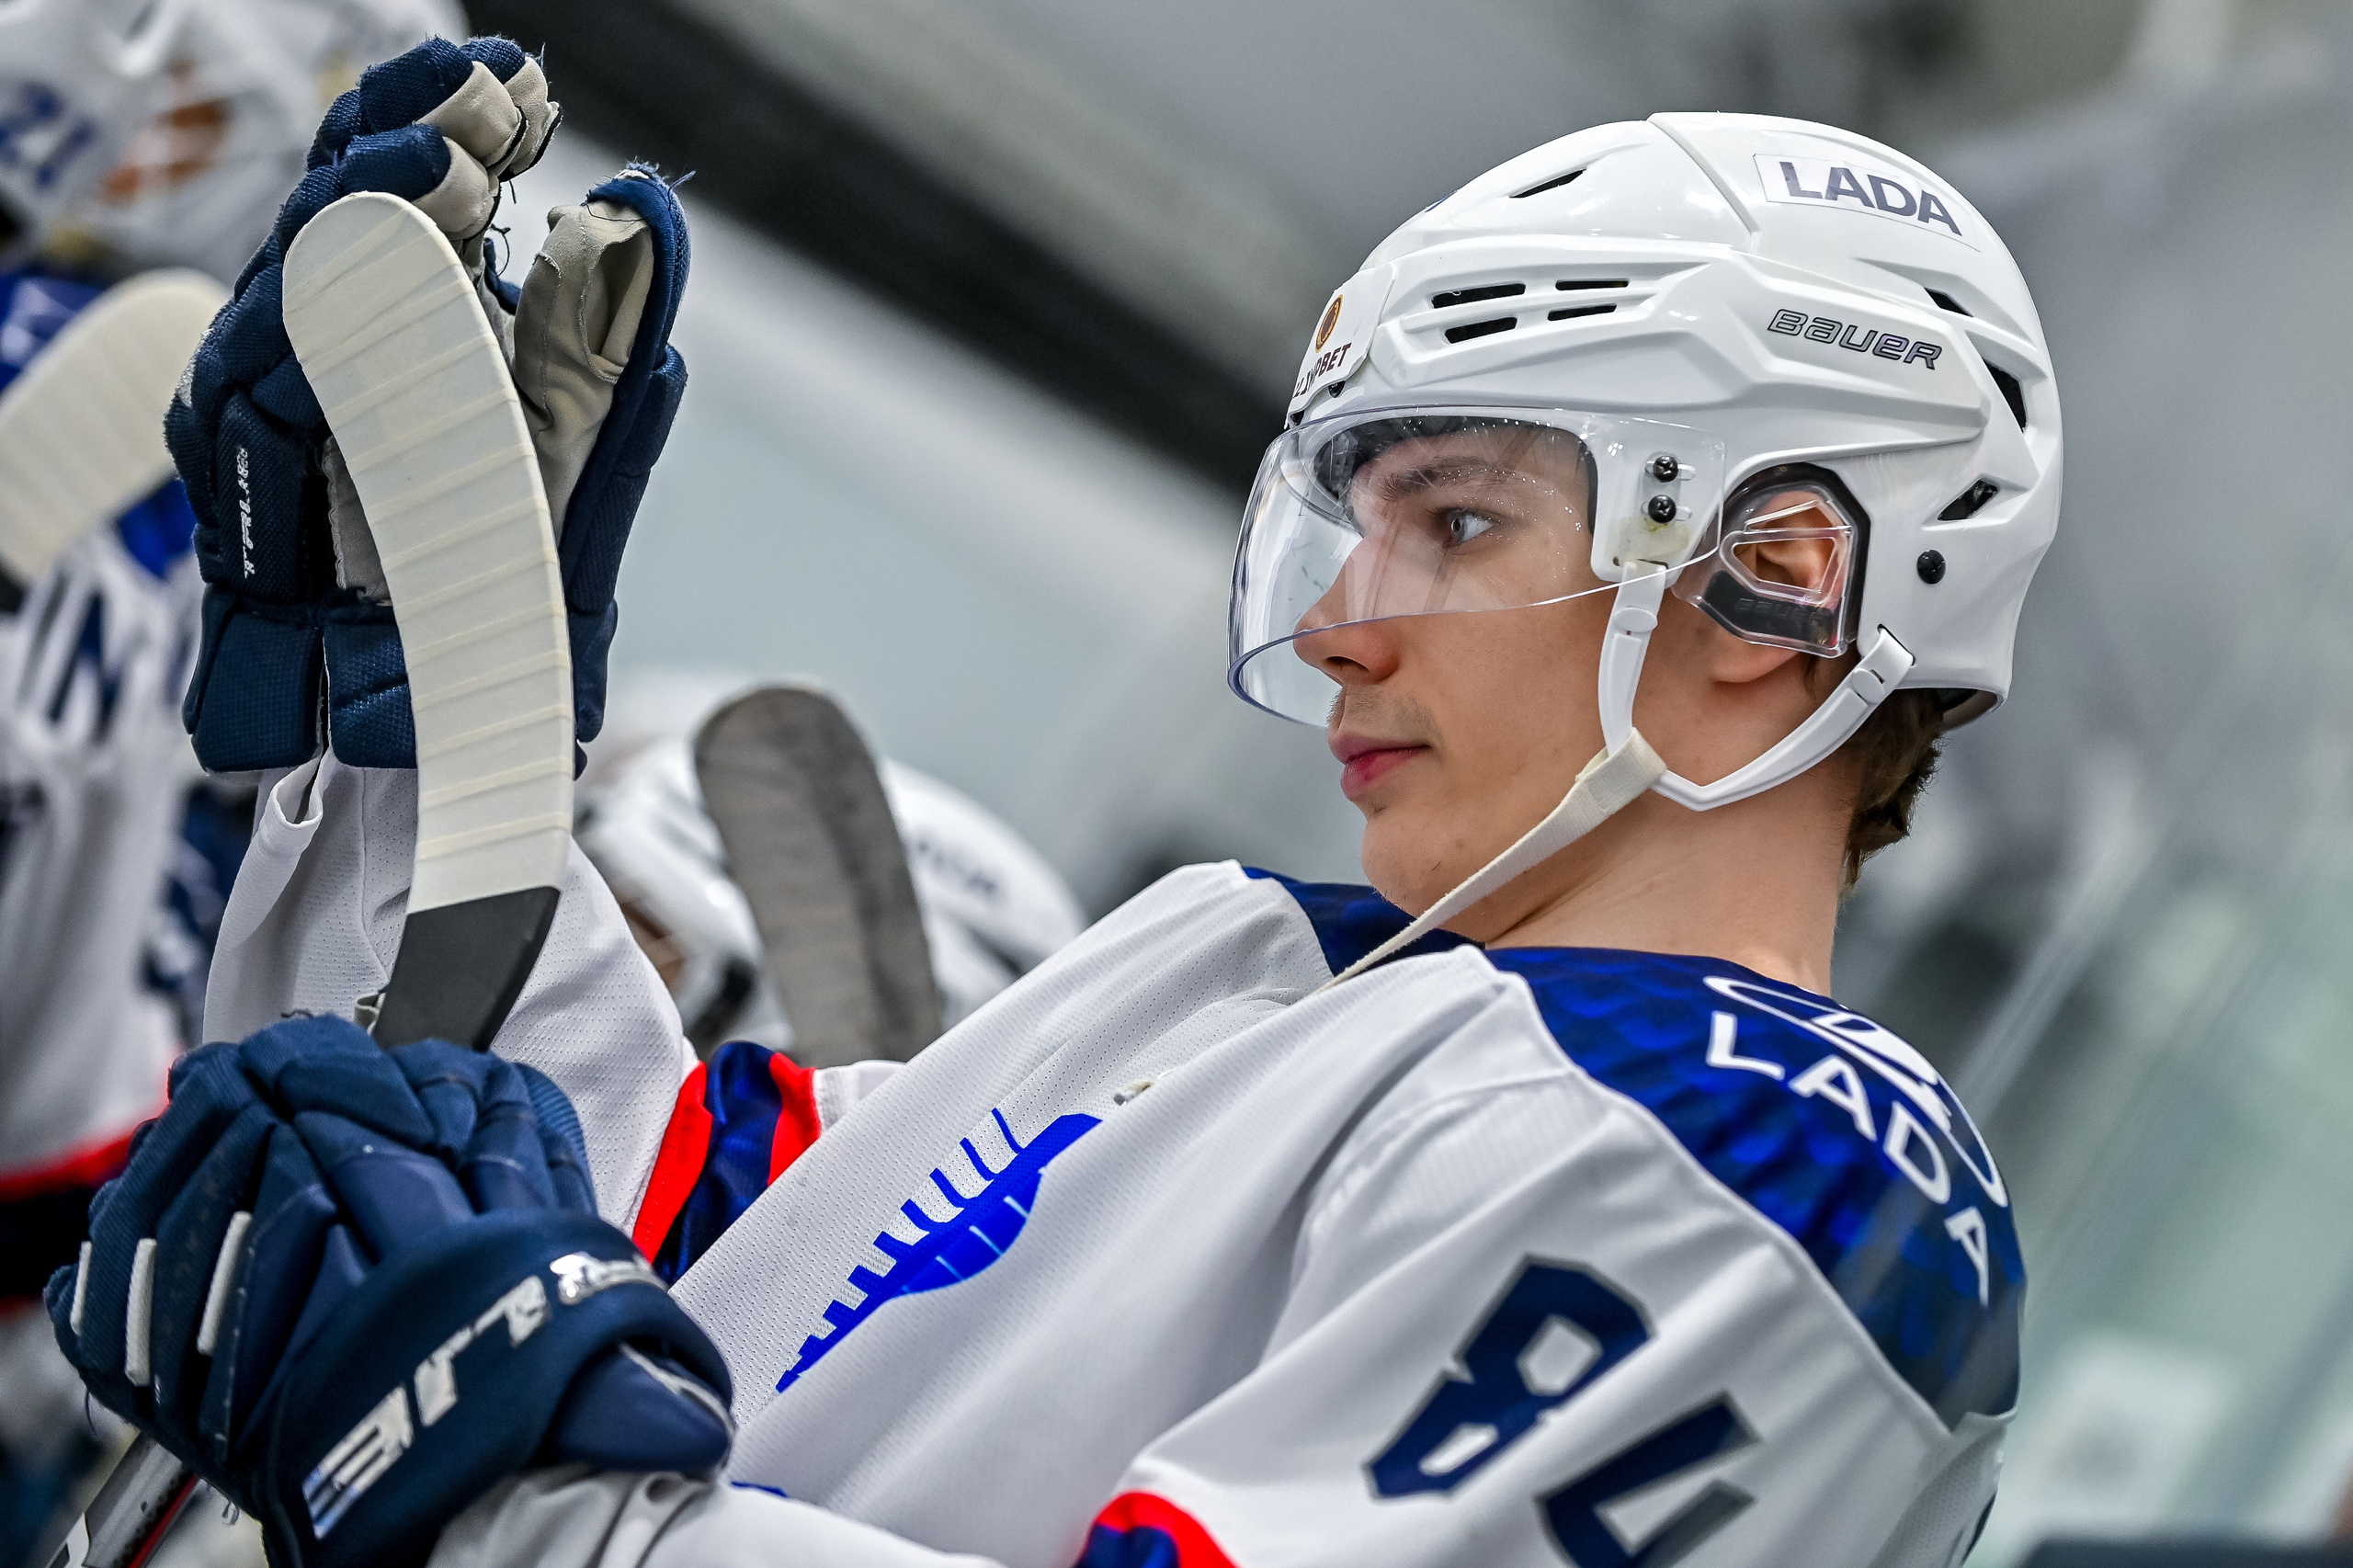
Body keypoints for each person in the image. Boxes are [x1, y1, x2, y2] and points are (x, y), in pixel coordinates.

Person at [50, 46, 2059, 1568]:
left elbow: (550, 1413)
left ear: (1777, 578)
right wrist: (408, 751)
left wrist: (509, 1479)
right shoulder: (1253, 968)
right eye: (1350, 525)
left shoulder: (1796, 1173)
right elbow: (630, 1227)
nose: (1345, 624)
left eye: (1451, 519)